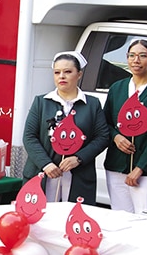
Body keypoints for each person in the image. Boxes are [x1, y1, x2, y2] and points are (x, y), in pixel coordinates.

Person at [22, 52, 111, 202]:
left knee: (73, 219)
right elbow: (29, 136)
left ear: (79, 74)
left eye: (68, 72)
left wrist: (79, 158)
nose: (61, 76)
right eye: (57, 72)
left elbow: (102, 137)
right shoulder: (41, 102)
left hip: (78, 175)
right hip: (44, 172)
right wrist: (46, 164)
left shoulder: (92, 104)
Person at [102, 39, 147, 217]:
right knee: (120, 220)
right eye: (132, 56)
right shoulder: (117, 88)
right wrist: (116, 137)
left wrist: (140, 167)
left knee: (146, 222)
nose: (136, 60)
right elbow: (105, 122)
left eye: (143, 56)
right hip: (116, 166)